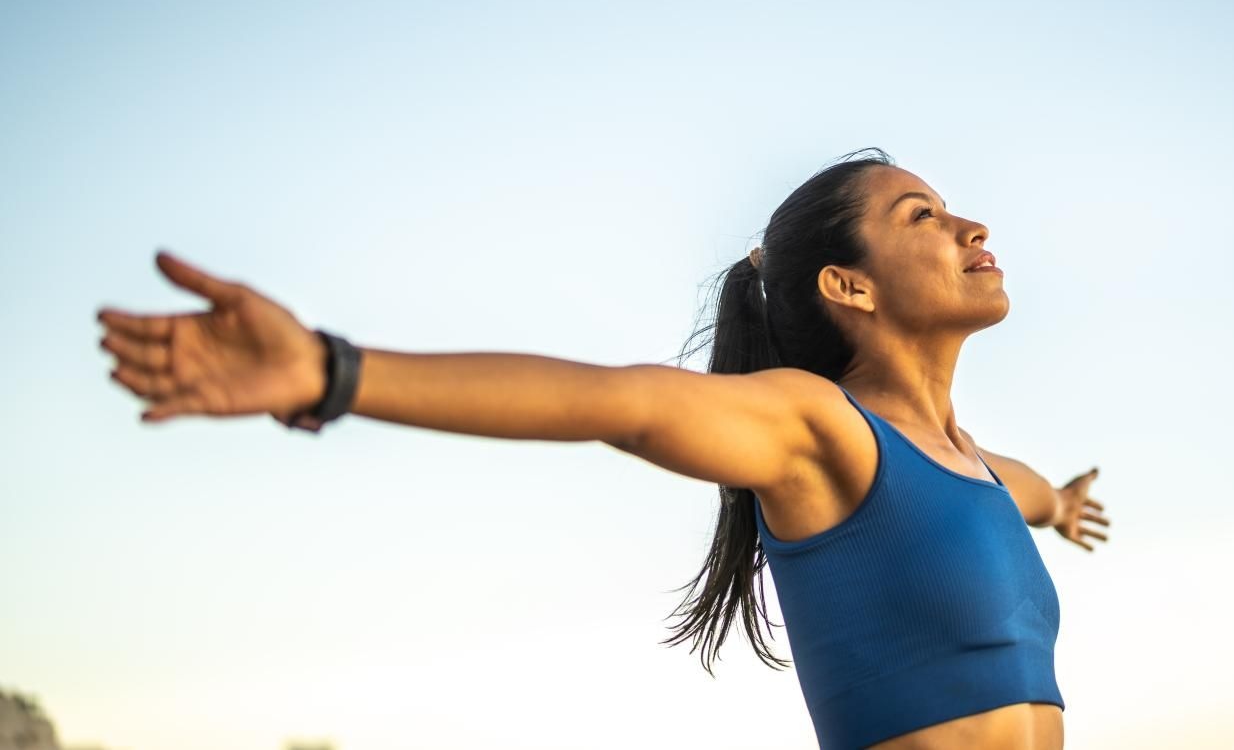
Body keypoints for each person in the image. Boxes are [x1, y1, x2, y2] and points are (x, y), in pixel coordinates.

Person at [95, 147, 1112, 750]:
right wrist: (332, 373)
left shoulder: (977, 469)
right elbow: (613, 404)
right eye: (923, 216)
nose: (969, 224)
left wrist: (1060, 505)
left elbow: (1021, 497)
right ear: (847, 286)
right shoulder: (816, 430)